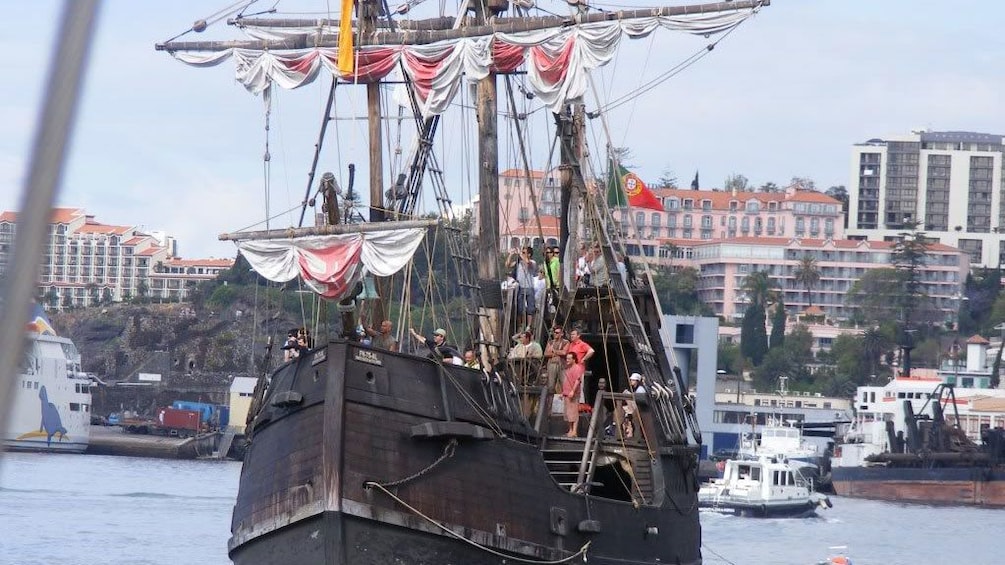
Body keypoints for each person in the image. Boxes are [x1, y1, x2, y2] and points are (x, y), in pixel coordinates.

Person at [507, 246, 537, 330]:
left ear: (529, 254)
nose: (522, 254)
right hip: (520, 287)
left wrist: (520, 254)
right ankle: (521, 325)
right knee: (520, 308)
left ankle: (529, 326)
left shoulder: (532, 262)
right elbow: (508, 265)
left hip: (529, 287)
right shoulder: (519, 263)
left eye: (524, 252)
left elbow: (527, 263)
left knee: (530, 308)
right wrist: (510, 255)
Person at [562, 352, 585, 437]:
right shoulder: (568, 368)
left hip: (573, 394)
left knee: (574, 412)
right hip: (566, 393)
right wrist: (562, 392)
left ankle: (574, 431)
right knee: (568, 413)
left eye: (569, 359)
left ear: (573, 359)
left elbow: (577, 380)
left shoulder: (577, 368)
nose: (567, 360)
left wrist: (572, 391)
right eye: (567, 358)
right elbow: (566, 381)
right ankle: (570, 430)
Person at [543, 326, 570, 394]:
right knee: (551, 385)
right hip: (552, 364)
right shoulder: (551, 342)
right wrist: (557, 353)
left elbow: (564, 352)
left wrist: (553, 351)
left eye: (557, 333)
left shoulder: (566, 342)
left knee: (564, 384)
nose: (555, 334)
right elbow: (546, 353)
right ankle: (550, 401)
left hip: (562, 365)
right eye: (554, 332)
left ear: (562, 334)